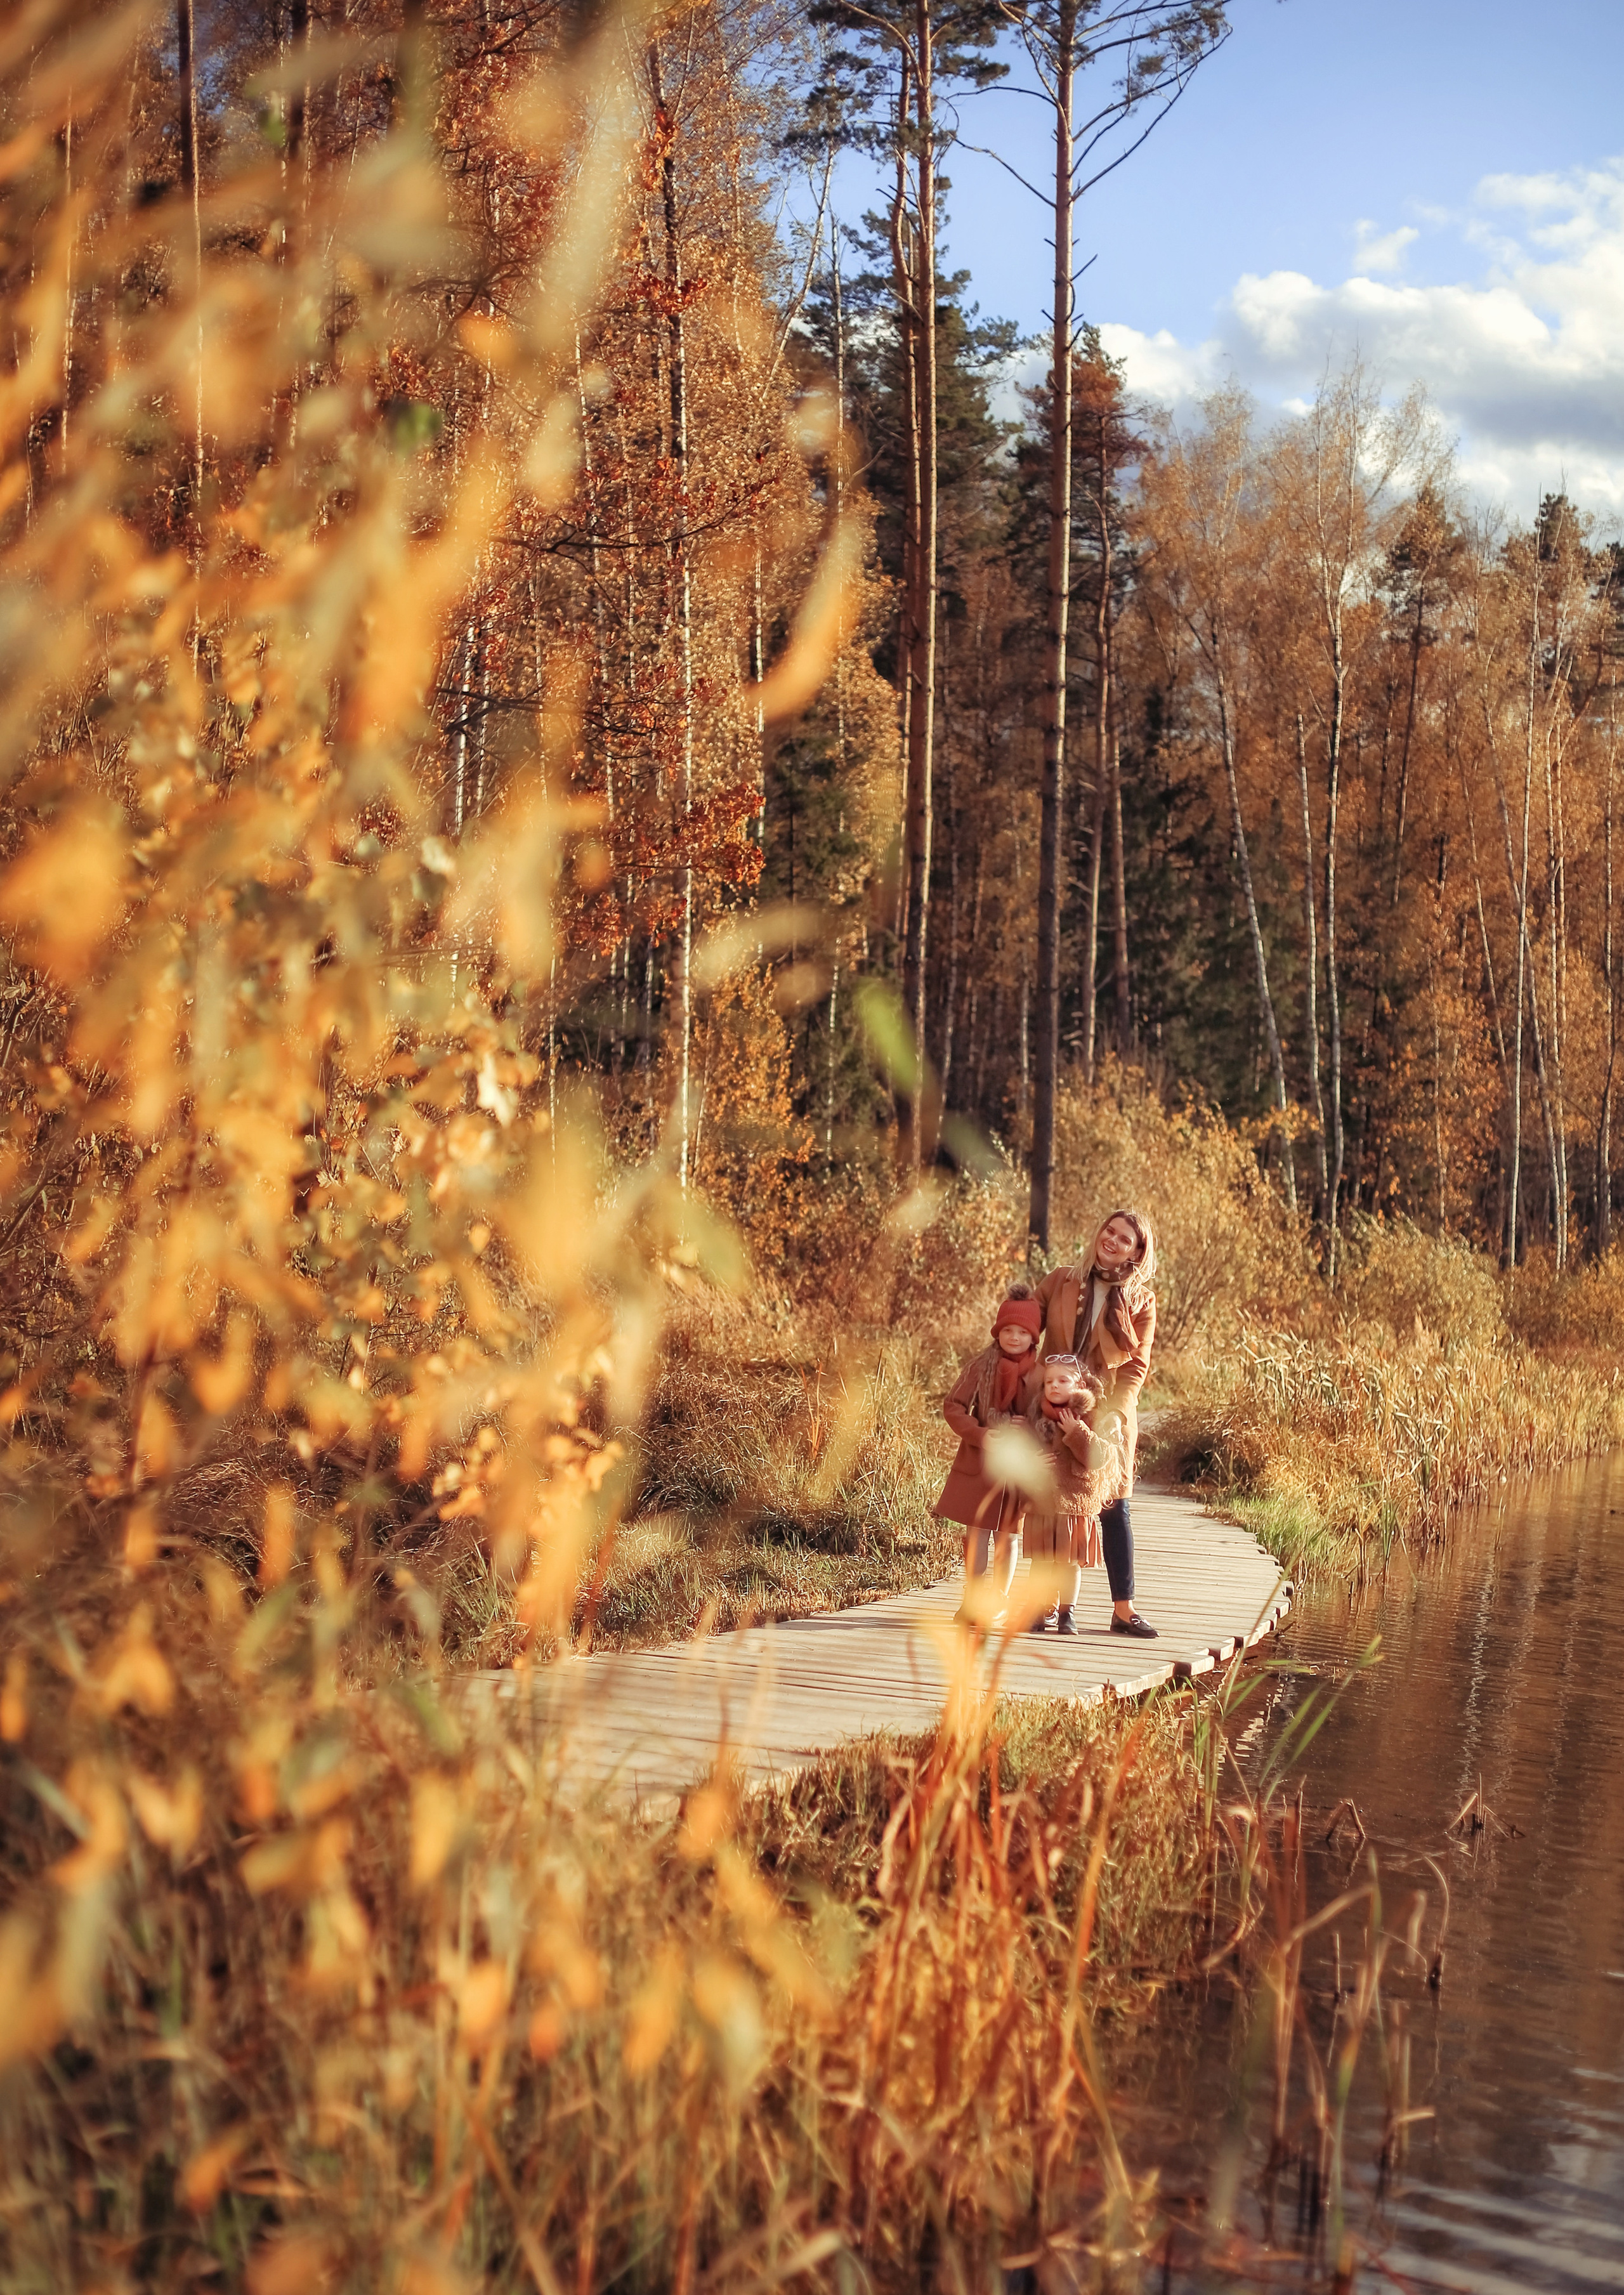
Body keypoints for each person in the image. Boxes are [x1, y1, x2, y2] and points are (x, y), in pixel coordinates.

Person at [1030, 1209, 1160, 1639]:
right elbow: (1026, 1328)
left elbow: (1135, 1370)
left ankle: (1124, 1611)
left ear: (1138, 1252)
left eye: (1125, 1239)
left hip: (1107, 1415)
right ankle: (1047, 1606)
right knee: (1052, 1509)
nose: (1113, 1240)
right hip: (1056, 1409)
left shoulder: (1142, 1302)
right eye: (1110, 1230)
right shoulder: (1060, 1279)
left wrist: (1114, 1419)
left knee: (1114, 1507)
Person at [934, 1283, 1042, 1627]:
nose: (1014, 1337)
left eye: (1022, 1332)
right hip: (981, 1463)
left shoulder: (1041, 1375)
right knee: (977, 1534)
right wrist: (981, 1435)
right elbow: (954, 1406)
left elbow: (1050, 1416)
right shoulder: (981, 1365)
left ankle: (999, 1600)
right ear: (997, 1333)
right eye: (1007, 1330)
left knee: (1008, 1536)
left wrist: (1029, 1427)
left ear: (1033, 1337)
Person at [1019, 1352, 1126, 1635]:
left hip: (1074, 1504)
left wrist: (1076, 1431)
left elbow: (1100, 1458)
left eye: (1063, 1380)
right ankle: (1038, 1610)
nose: (1054, 1386)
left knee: (1068, 1564)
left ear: (1079, 1384)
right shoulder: (1036, 1415)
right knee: (1041, 1562)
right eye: (1049, 1382)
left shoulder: (1091, 1416)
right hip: (1043, 1503)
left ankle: (1068, 1614)